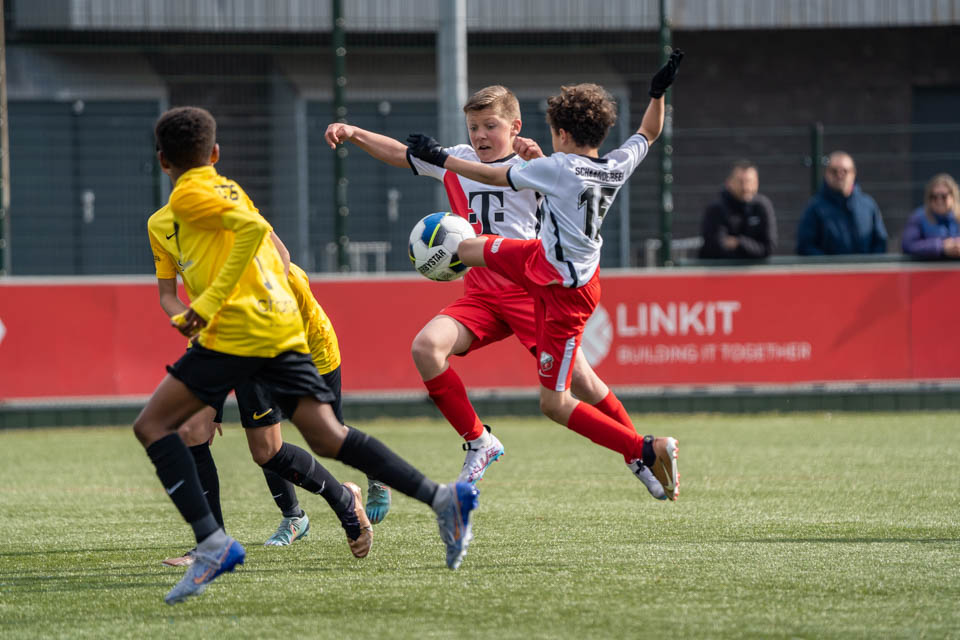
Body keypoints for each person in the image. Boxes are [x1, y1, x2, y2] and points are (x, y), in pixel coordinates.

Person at [138, 106, 479, 605]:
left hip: (245, 330)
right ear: (214, 153)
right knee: (321, 435)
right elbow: (244, 247)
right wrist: (197, 310)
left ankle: (215, 543)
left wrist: (211, 302)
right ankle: (440, 498)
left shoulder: (192, 192)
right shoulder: (219, 191)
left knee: (158, 426)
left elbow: (259, 240)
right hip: (262, 327)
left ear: (163, 161)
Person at [324, 86, 657, 498]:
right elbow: (399, 154)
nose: (480, 135)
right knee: (426, 349)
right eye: (474, 126)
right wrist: (356, 133)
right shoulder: (458, 159)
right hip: (480, 296)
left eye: (490, 126)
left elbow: (574, 197)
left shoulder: (538, 167)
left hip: (531, 291)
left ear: (515, 126)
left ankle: (637, 452)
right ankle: (479, 440)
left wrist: (539, 158)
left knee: (583, 383)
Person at [405, 52, 686, 502]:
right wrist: (658, 93)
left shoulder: (556, 168)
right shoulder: (614, 165)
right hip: (544, 263)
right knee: (468, 246)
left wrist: (441, 157)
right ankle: (637, 453)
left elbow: (491, 175)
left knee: (556, 402)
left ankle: (643, 449)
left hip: (558, 289)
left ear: (560, 132)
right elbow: (648, 133)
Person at [796, 151, 887, 255]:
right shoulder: (815, 207)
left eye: (845, 171)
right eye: (834, 171)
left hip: (864, 270)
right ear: (826, 174)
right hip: (829, 270)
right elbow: (805, 245)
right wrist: (829, 266)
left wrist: (869, 265)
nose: (840, 175)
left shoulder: (868, 205)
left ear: (853, 173)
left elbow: (880, 242)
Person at [698, 160, 777, 259]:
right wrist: (752, 249)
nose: (746, 187)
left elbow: (769, 248)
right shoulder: (716, 209)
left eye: (750, 181)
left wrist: (738, 242)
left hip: (753, 273)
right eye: (740, 182)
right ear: (729, 183)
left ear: (757, 183)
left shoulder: (763, 206)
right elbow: (716, 249)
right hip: (719, 273)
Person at [901, 173, 960, 259]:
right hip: (928, 270)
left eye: (943, 196)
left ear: (953, 196)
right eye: (934, 197)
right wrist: (941, 246)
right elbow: (908, 245)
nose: (939, 201)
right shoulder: (919, 217)